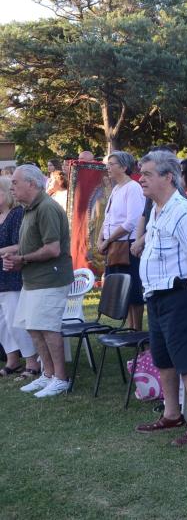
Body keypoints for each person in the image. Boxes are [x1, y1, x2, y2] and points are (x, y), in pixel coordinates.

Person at [133, 151, 187, 444]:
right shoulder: (157, 209)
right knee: (163, 358)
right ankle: (171, 414)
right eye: (141, 174)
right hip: (156, 295)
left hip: (181, 295)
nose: (141, 179)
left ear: (168, 177)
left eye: (148, 174)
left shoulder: (184, 213)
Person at [0, 165, 74, 397]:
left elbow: (53, 249)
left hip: (50, 278)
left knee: (48, 329)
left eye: (15, 182)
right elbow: (30, 244)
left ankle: (61, 378)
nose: (11, 187)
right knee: (33, 327)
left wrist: (21, 258)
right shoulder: (29, 209)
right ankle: (48, 374)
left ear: (31, 184)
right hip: (33, 279)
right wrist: (15, 257)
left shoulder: (47, 208)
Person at [99, 151, 146, 330]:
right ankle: (128, 326)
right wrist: (100, 238)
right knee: (121, 291)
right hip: (114, 245)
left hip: (127, 245)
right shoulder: (117, 188)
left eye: (112, 164)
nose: (108, 167)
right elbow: (108, 217)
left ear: (124, 167)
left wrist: (108, 240)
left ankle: (136, 330)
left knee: (133, 289)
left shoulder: (133, 188)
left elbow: (131, 221)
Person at [0, 176, 38, 377]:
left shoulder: (16, 214)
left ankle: (32, 362)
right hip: (0, 276)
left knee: (16, 321)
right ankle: (12, 359)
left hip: (11, 275)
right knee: (2, 324)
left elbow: (20, 245)